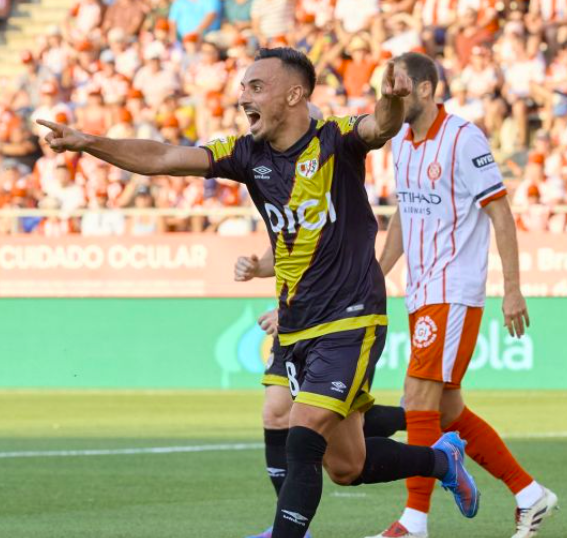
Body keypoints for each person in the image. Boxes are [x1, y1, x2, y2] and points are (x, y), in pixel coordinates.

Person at [39, 47, 479, 538]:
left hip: (352, 315)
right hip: (296, 323)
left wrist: (392, 101)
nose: (242, 95)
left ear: (294, 95)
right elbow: (164, 157)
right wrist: (89, 142)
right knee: (346, 466)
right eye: (243, 87)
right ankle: (442, 461)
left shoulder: (334, 140)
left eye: (255, 87)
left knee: (302, 430)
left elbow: (380, 127)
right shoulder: (245, 153)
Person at [369, 52, 558, 538]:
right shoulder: (401, 144)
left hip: (454, 289)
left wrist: (511, 289)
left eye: (401, 86)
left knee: (417, 398)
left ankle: (415, 521)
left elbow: (500, 213)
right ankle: (530, 494)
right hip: (420, 290)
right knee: (447, 409)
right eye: (389, 87)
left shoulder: (463, 138)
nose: (394, 94)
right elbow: (402, 218)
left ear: (429, 89)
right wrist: (375, 274)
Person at [234, 248, 408, 538]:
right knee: (277, 412)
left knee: (344, 457)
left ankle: (422, 425)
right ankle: (290, 526)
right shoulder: (278, 203)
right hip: (292, 322)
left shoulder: (335, 206)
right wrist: (255, 267)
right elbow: (280, 252)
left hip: (336, 323)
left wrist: (297, 310)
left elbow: (334, 259)